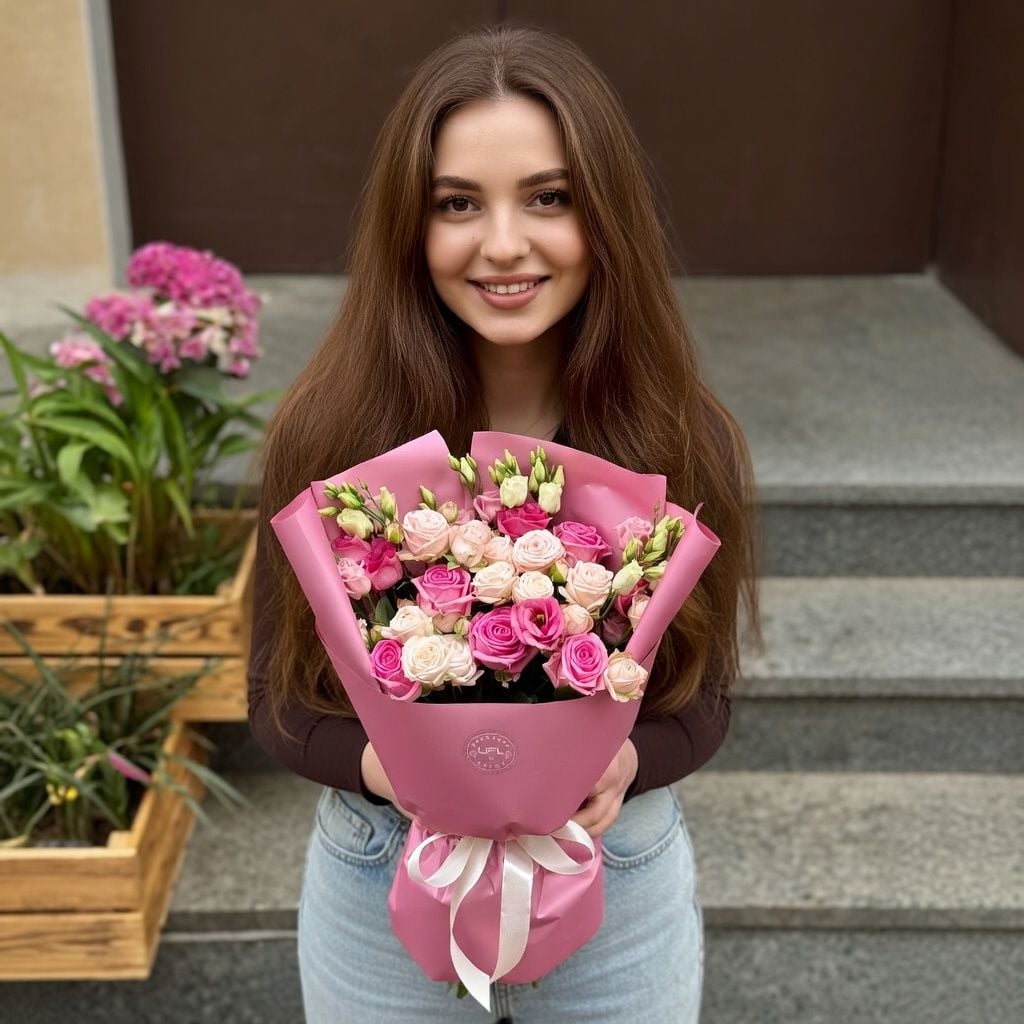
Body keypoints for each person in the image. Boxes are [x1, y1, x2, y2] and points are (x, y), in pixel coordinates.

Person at [248, 23, 760, 1024]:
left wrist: (624, 760)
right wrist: (386, 765)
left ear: (603, 214)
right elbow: (273, 700)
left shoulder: (677, 436)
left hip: (613, 873)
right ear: (411, 227)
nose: (503, 244)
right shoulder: (332, 432)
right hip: (382, 870)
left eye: (548, 197)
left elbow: (705, 699)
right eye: (457, 204)